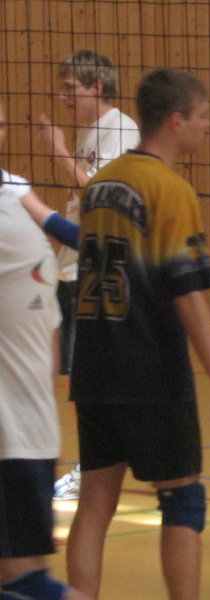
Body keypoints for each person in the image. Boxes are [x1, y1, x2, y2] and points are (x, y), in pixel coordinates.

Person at [65, 68, 210, 600]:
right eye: (202, 116)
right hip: (150, 369)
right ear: (176, 120)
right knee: (182, 499)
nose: (206, 125)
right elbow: (187, 293)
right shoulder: (171, 189)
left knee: (95, 500)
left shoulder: (100, 184)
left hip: (94, 365)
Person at [30, 49, 140, 501]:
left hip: (95, 267)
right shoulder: (88, 130)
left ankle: (91, 466)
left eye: (70, 89)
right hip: (72, 262)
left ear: (97, 87)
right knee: (70, 373)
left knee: (84, 377)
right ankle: (95, 460)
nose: (63, 97)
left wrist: (58, 151)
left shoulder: (121, 128)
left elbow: (97, 192)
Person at [0, 102, 90, 600]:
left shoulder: (10, 206)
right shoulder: (16, 198)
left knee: (25, 584)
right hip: (29, 432)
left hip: (13, 441)